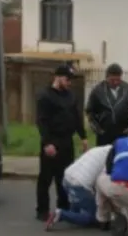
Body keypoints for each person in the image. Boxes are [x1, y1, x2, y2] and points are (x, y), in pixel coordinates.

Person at [34, 64, 88, 222]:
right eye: (67, 79)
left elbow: (76, 117)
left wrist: (83, 137)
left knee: (64, 177)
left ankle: (63, 207)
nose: (69, 82)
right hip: (52, 141)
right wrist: (47, 143)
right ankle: (42, 210)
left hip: (67, 141)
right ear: (57, 77)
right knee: (46, 178)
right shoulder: (45, 96)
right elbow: (41, 122)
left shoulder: (70, 96)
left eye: (71, 80)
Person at [45, 144, 112, 230]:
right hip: (79, 184)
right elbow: (101, 182)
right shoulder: (110, 158)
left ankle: (73, 212)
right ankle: (61, 214)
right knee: (95, 217)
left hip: (67, 177)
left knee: (79, 204)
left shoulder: (100, 149)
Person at [85, 63, 128, 147]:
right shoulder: (97, 91)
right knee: (105, 157)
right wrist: (98, 129)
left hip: (123, 133)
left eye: (118, 80)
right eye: (112, 80)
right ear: (107, 77)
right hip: (104, 135)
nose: (115, 83)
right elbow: (90, 111)